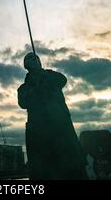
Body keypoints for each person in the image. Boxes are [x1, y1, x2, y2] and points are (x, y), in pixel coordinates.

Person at [18, 52, 87, 180]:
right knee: (45, 171)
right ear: (26, 65)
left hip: (61, 129)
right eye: (30, 59)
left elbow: (62, 80)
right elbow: (23, 102)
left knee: (72, 169)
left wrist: (43, 75)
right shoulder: (23, 88)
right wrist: (36, 85)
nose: (34, 60)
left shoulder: (51, 76)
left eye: (36, 58)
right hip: (39, 134)